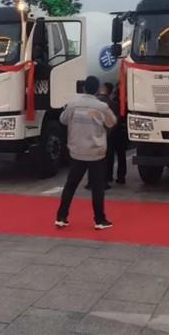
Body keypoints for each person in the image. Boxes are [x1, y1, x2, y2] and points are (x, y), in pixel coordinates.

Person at [56, 75, 117, 230]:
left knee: (70, 185)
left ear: (83, 88)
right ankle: (99, 220)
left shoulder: (72, 104)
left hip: (76, 150)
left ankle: (61, 217)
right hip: (96, 152)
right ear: (97, 89)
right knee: (97, 187)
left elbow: (63, 120)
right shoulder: (101, 106)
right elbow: (112, 122)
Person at [85, 82, 114, 190]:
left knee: (91, 159)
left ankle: (90, 182)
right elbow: (111, 120)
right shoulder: (109, 103)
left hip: (91, 132)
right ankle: (103, 182)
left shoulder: (93, 102)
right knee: (103, 160)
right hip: (103, 134)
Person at [108, 83, 128, 184]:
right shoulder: (125, 102)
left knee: (110, 154)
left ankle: (109, 176)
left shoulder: (112, 102)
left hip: (113, 130)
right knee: (121, 155)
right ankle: (121, 176)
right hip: (121, 130)